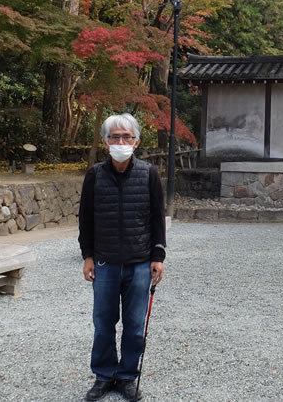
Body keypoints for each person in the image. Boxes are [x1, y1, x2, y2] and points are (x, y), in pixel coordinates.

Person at [78, 113, 166, 402]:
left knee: (134, 323)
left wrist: (158, 255)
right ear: (105, 142)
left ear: (136, 141)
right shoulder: (94, 175)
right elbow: (85, 219)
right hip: (104, 262)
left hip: (140, 262)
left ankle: (127, 376)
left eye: (126, 137)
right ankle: (104, 375)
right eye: (114, 137)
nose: (120, 142)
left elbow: (157, 218)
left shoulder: (149, 173)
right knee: (103, 322)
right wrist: (87, 255)